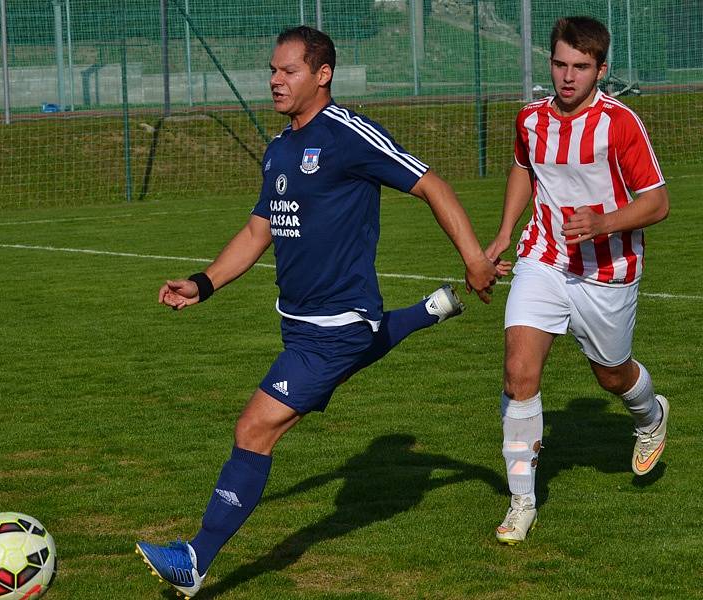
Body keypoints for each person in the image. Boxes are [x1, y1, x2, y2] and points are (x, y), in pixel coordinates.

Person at [135, 25, 500, 598]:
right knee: (357, 349)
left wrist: (475, 257)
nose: (276, 81)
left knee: (254, 429)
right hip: (304, 323)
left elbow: (432, 183)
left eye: (289, 71)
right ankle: (430, 309)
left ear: (322, 75)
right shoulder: (280, 147)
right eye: (273, 71)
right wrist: (204, 283)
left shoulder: (348, 133)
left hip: (335, 327)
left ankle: (194, 559)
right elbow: (260, 228)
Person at [484, 16, 670, 545]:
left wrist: (602, 223)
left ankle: (650, 414)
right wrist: (503, 234)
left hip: (608, 270)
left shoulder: (621, 124)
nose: (568, 77)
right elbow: (524, 168)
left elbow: (657, 202)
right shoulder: (530, 119)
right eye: (560, 64)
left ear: (601, 70)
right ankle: (522, 500)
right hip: (544, 258)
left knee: (612, 375)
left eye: (581, 67)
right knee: (519, 373)